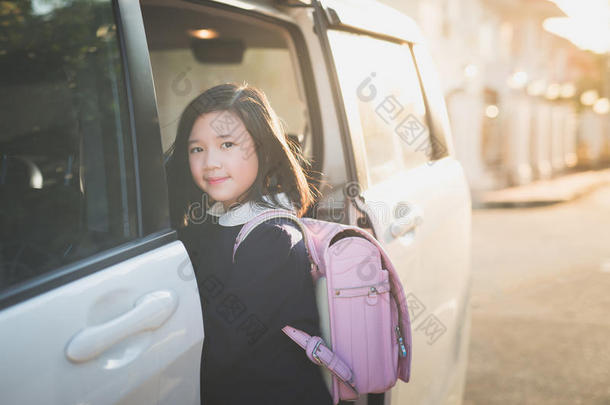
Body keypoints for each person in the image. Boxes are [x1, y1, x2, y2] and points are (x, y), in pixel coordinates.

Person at [165, 83, 333, 405]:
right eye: (196, 149)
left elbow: (222, 345)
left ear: (263, 149)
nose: (210, 162)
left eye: (227, 144)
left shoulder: (273, 238)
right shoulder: (210, 220)